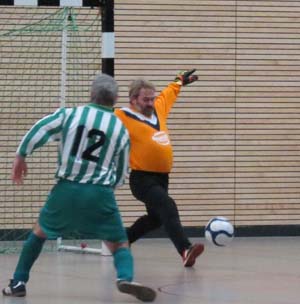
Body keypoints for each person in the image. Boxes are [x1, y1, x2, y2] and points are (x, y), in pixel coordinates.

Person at [2, 73, 156, 302]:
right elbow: (123, 169)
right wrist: (108, 188)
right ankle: (124, 277)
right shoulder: (120, 127)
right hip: (100, 192)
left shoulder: (71, 114)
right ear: (114, 99)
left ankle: (18, 282)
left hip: (67, 189)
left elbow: (40, 129)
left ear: (91, 94)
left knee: (40, 232)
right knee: (119, 241)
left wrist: (21, 155)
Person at [115, 69, 204, 267]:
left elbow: (168, 93)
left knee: (156, 219)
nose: (150, 103)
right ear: (133, 99)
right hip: (141, 179)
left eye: (151, 99)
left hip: (162, 178)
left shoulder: (158, 107)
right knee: (168, 206)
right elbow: (102, 123)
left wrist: (180, 81)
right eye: (145, 100)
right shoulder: (121, 116)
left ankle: (123, 240)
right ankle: (185, 250)